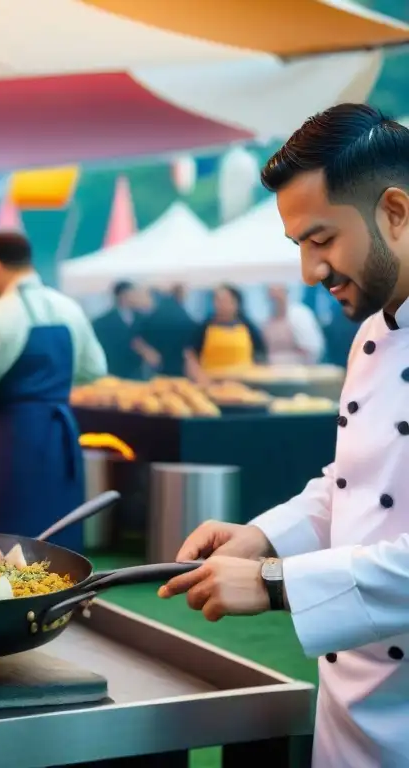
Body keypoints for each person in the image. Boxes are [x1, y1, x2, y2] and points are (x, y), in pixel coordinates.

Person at [157, 104, 409, 767]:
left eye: (321, 239)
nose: (308, 271)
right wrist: (266, 536)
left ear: (396, 211)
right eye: (299, 245)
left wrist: (276, 581)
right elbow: (357, 482)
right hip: (351, 712)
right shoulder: (371, 336)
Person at [0, 232, 106, 551]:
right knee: (59, 534)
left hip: (14, 438)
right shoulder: (68, 307)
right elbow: (95, 368)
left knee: (6, 537)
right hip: (60, 434)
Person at [183, 284, 267, 381]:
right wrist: (197, 374)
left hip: (244, 383)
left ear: (236, 303)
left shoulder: (248, 326)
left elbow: (261, 355)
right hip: (211, 382)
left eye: (225, 301)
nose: (220, 305)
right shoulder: (205, 327)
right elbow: (190, 354)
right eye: (217, 300)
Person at [131, 285, 196, 376]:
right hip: (172, 364)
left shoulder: (167, 310)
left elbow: (136, 337)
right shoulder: (174, 312)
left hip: (164, 364)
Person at [91, 281, 149, 380]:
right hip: (113, 374)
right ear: (122, 296)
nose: (135, 297)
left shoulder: (143, 319)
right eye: (133, 294)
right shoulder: (102, 322)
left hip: (137, 374)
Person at [262, 284, 325, 365]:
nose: (274, 299)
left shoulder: (299, 314)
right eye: (271, 296)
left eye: (277, 295)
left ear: (285, 293)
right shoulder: (268, 320)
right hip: (272, 373)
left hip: (299, 372)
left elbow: (312, 350)